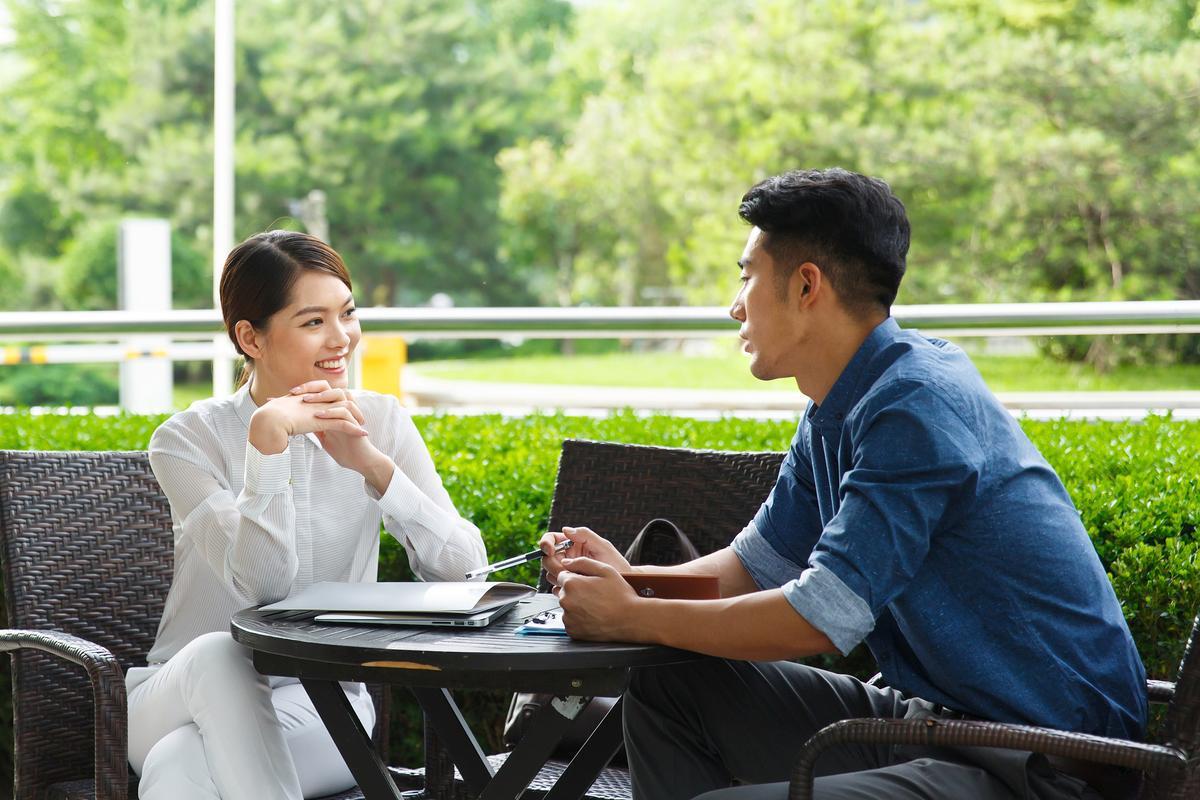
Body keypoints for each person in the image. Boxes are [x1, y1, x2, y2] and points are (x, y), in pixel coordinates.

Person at [540, 168, 1146, 800]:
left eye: (747, 275)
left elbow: (818, 617)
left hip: (1041, 757)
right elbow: (752, 570)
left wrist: (637, 617)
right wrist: (631, 584)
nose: (734, 304)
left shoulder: (915, 405)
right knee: (671, 685)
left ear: (806, 286)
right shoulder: (835, 408)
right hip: (926, 726)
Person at [127, 230, 488, 800]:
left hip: (322, 703)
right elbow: (263, 589)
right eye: (313, 321)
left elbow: (466, 572)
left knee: (179, 769)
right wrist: (267, 444)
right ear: (251, 337)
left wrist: (371, 465)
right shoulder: (186, 441)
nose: (341, 337)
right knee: (222, 652)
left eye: (347, 313)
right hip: (174, 695)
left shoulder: (382, 423)